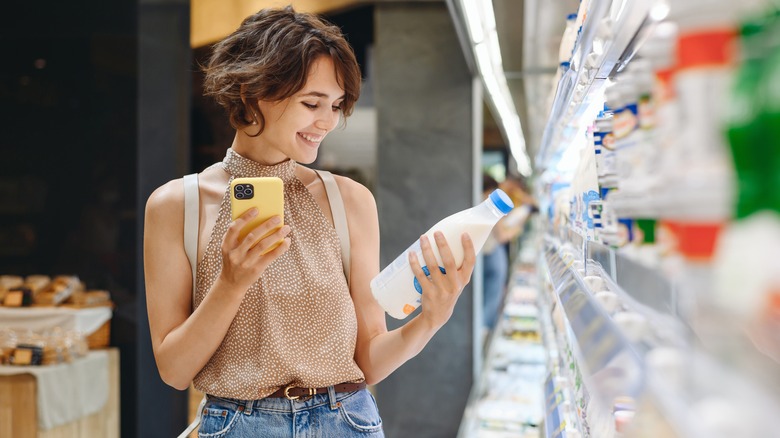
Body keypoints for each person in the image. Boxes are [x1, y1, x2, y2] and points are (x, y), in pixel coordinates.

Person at [143, 6, 476, 437]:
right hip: (236, 426)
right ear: (251, 91)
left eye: (336, 105)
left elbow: (369, 360)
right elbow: (173, 370)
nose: (328, 122)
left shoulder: (349, 201)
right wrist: (230, 283)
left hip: (348, 421)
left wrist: (429, 320)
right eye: (312, 103)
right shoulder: (176, 206)